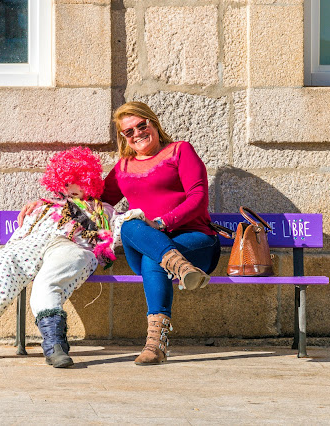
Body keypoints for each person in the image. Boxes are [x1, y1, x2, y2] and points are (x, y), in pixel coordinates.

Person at [18, 102, 221, 366]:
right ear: (123, 137)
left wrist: (162, 223)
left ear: (153, 123)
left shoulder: (179, 151)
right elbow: (90, 201)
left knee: (153, 257)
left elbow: (199, 198)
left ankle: (155, 345)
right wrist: (47, 204)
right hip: (163, 250)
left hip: (196, 241)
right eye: (129, 131)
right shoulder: (124, 167)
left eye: (141, 125)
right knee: (129, 223)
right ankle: (178, 267)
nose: (137, 133)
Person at [0, 147, 142, 368]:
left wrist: (149, 221)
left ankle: (55, 346)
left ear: (88, 180)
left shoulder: (102, 210)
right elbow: (21, 236)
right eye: (64, 181)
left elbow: (124, 226)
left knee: (47, 283)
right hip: (32, 246)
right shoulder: (43, 207)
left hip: (71, 247)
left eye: (75, 180)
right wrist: (8, 255)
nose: (68, 186)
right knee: (2, 277)